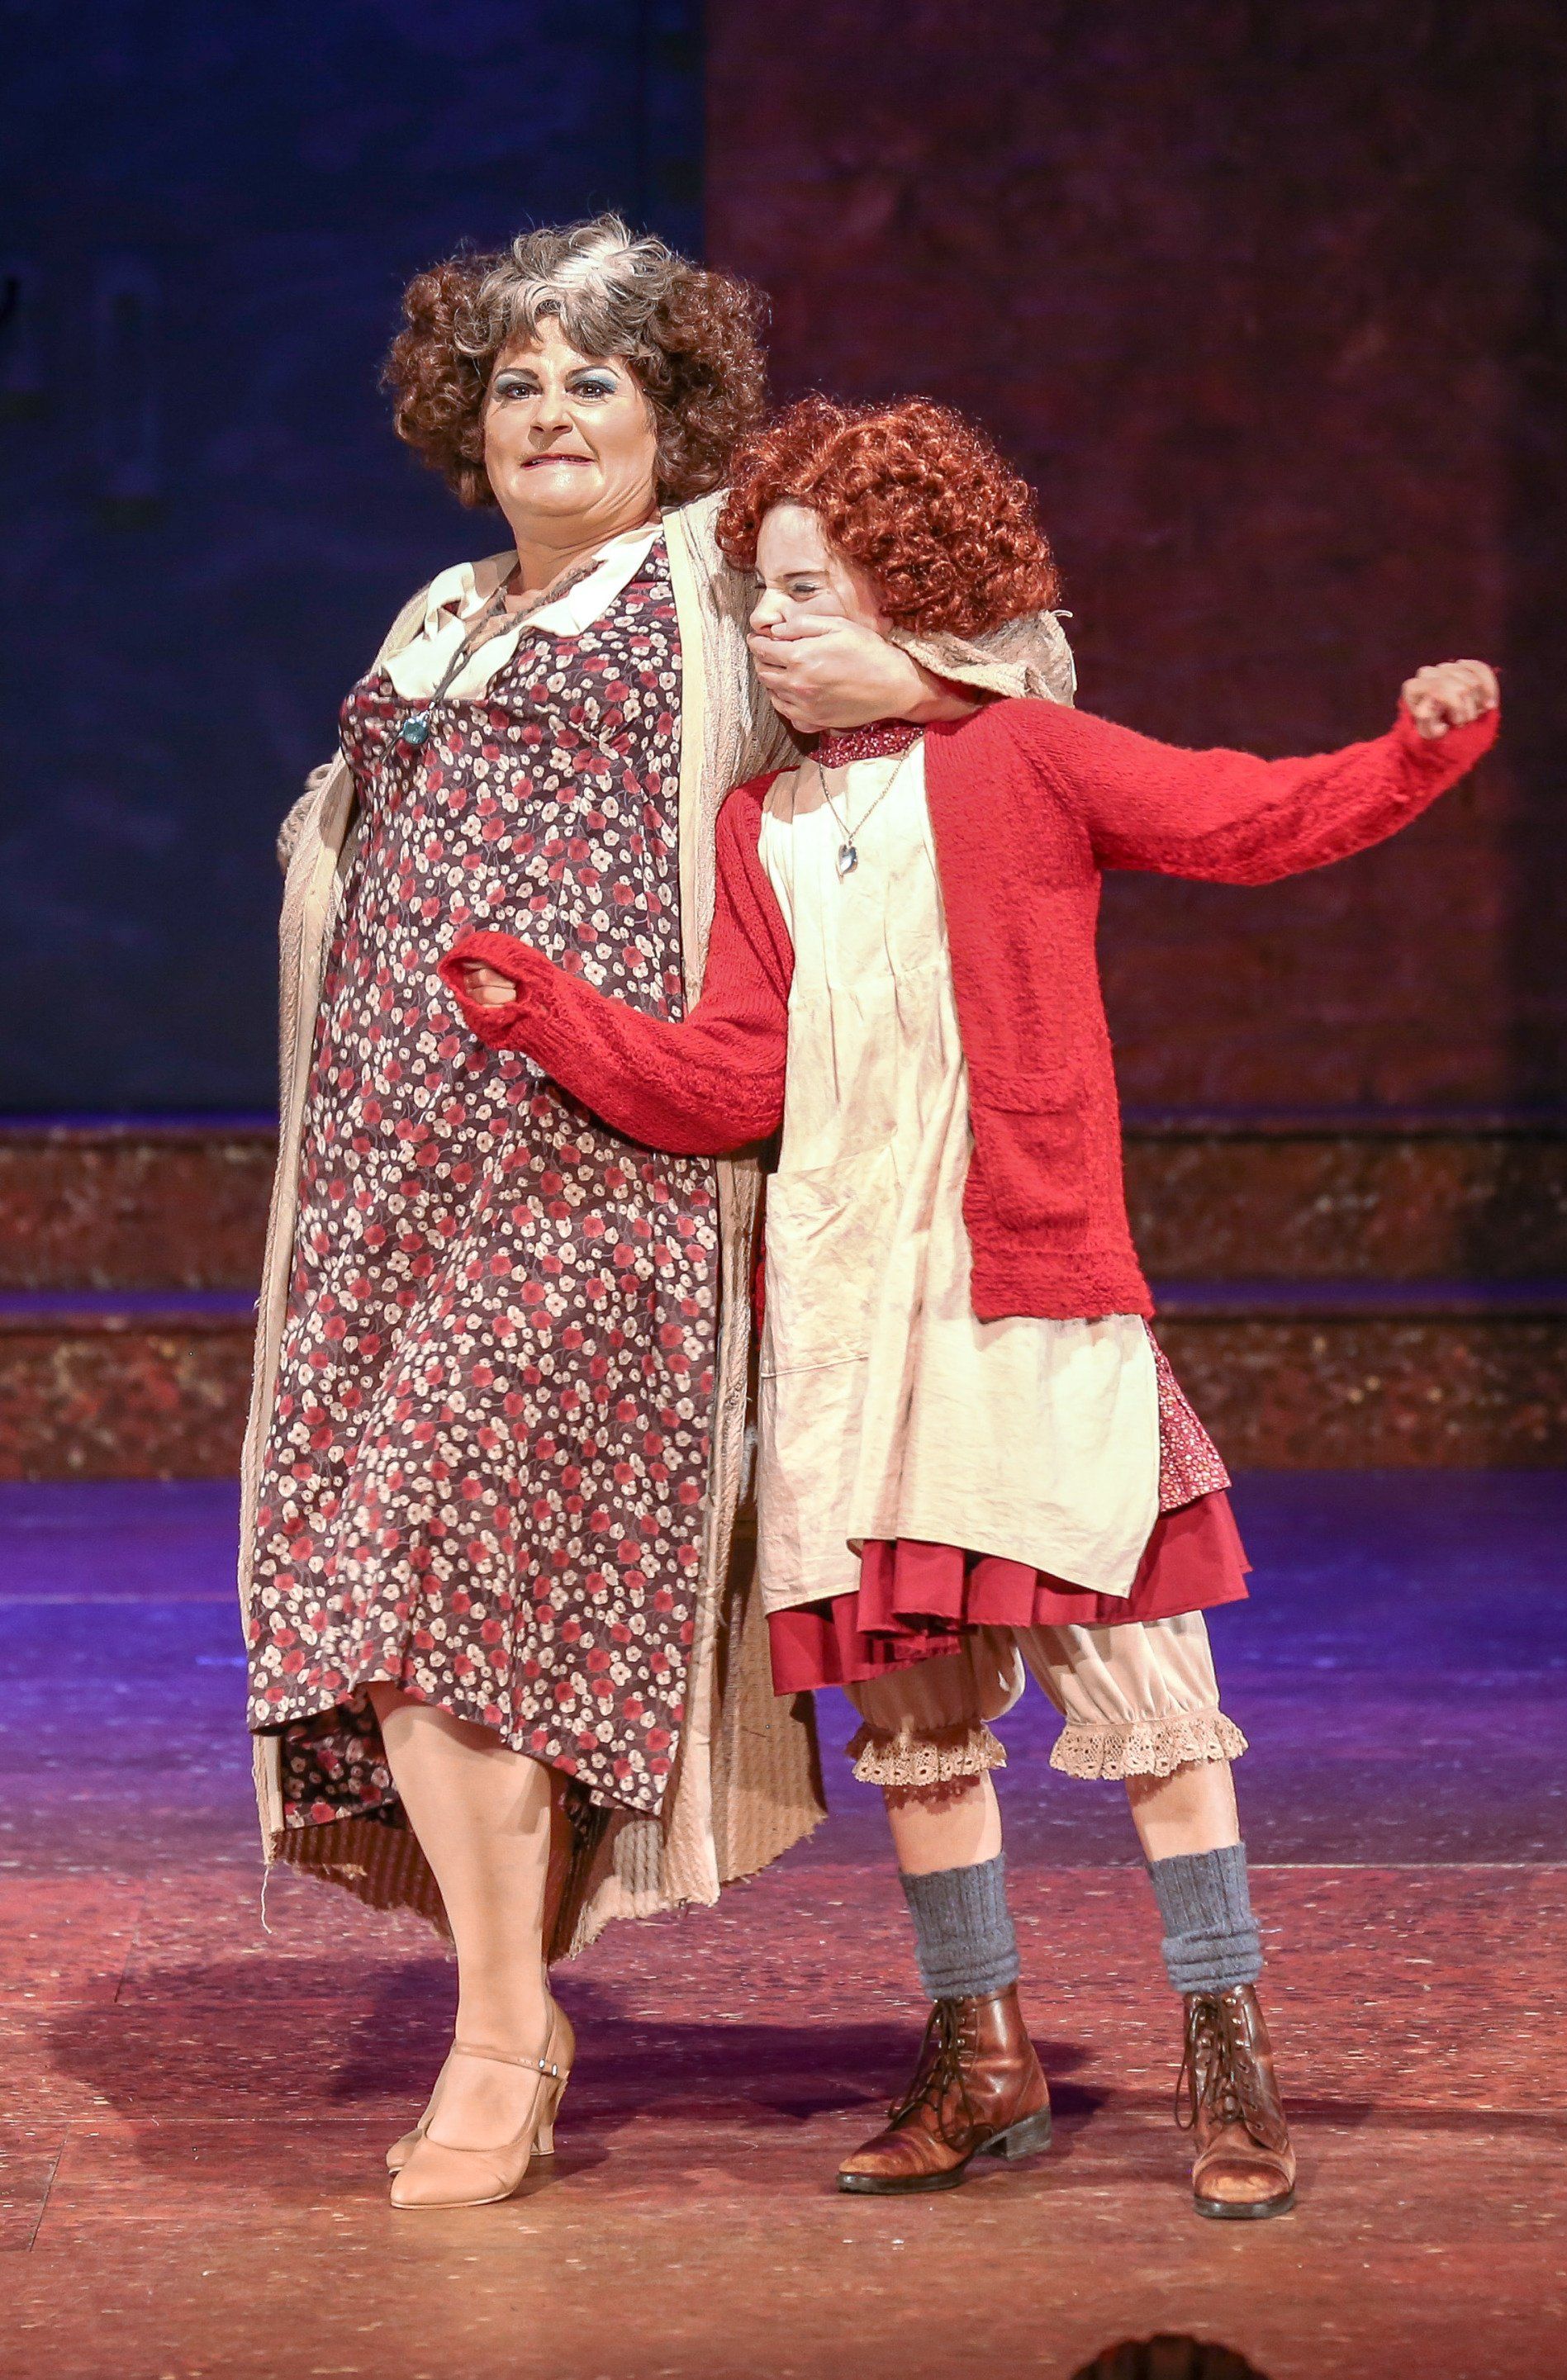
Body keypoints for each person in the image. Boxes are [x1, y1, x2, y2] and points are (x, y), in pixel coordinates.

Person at [441, 394, 1499, 2212]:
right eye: (763, 595)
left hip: (1023, 1298)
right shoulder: (764, 822)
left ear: (918, 597)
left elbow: (1245, 817)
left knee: (1149, 1688)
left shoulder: (1030, 759)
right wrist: (557, 1018)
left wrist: (1410, 755)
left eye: (812, 590)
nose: (774, 626)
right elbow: (735, 1078)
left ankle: (1225, 2050)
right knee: (918, 1716)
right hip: (852, 1318)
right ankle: (980, 2050)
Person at [241, 221, 1076, 2212]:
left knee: (436, 1554)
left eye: (593, 381)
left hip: (603, 1174)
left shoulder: (719, 571)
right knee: (400, 1602)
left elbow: (1014, 676)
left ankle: (497, 2039)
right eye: (516, 382)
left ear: (667, 414)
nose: (550, 414)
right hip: (383, 1188)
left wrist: (893, 678)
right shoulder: (442, 612)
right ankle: (509, 2002)